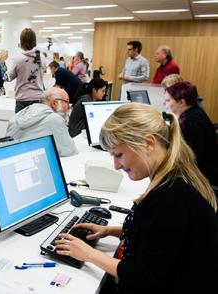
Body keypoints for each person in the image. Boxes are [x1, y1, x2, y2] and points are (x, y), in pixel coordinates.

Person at [55, 103, 217, 294]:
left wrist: (90, 254)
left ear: (148, 143)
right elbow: (163, 237)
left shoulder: (171, 196)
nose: (116, 166)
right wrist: (111, 230)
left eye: (119, 155)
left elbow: (146, 277)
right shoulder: (174, 176)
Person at [164, 81, 218, 186]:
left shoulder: (190, 123)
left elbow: (188, 159)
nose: (164, 104)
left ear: (181, 102)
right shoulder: (195, 111)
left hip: (202, 176)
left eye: (168, 100)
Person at [6, 87, 77, 157]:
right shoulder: (54, 119)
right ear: (54, 103)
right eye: (66, 102)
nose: (68, 107)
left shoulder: (18, 115)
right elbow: (69, 151)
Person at [7, 28, 46, 113]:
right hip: (38, 98)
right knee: (37, 125)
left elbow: (9, 77)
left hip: (22, 99)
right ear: (34, 40)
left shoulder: (17, 59)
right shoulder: (42, 57)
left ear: (21, 42)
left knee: (20, 125)